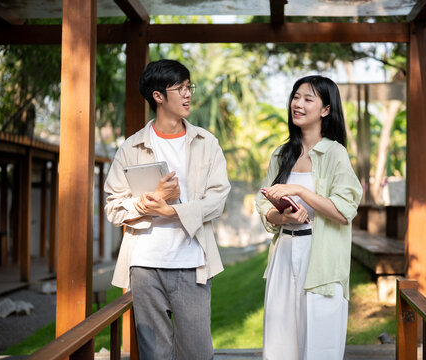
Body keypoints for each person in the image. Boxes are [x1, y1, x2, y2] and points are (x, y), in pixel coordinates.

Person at [104, 59, 230, 360]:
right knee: (154, 354)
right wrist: (152, 201)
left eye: (189, 87)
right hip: (145, 265)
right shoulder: (131, 148)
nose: (188, 95)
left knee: (198, 353)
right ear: (158, 96)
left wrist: (172, 211)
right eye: (180, 88)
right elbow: (113, 207)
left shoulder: (206, 143)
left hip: (192, 262)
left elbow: (218, 199)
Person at [255, 75, 362, 359]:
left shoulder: (335, 153)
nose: (297, 104)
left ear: (326, 110)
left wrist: (300, 190)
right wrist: (284, 217)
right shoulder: (281, 154)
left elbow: (343, 211)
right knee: (280, 341)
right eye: (296, 97)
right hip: (284, 253)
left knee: (320, 340)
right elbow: (263, 206)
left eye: (308, 99)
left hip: (321, 257)